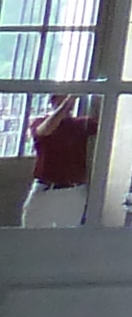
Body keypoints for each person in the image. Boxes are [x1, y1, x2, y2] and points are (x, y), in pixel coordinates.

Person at [18, 95, 92, 227]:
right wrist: (66, 104)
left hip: (72, 191)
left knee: (65, 238)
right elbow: (45, 130)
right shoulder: (39, 122)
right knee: (30, 231)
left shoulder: (81, 124)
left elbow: (109, 123)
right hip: (45, 188)